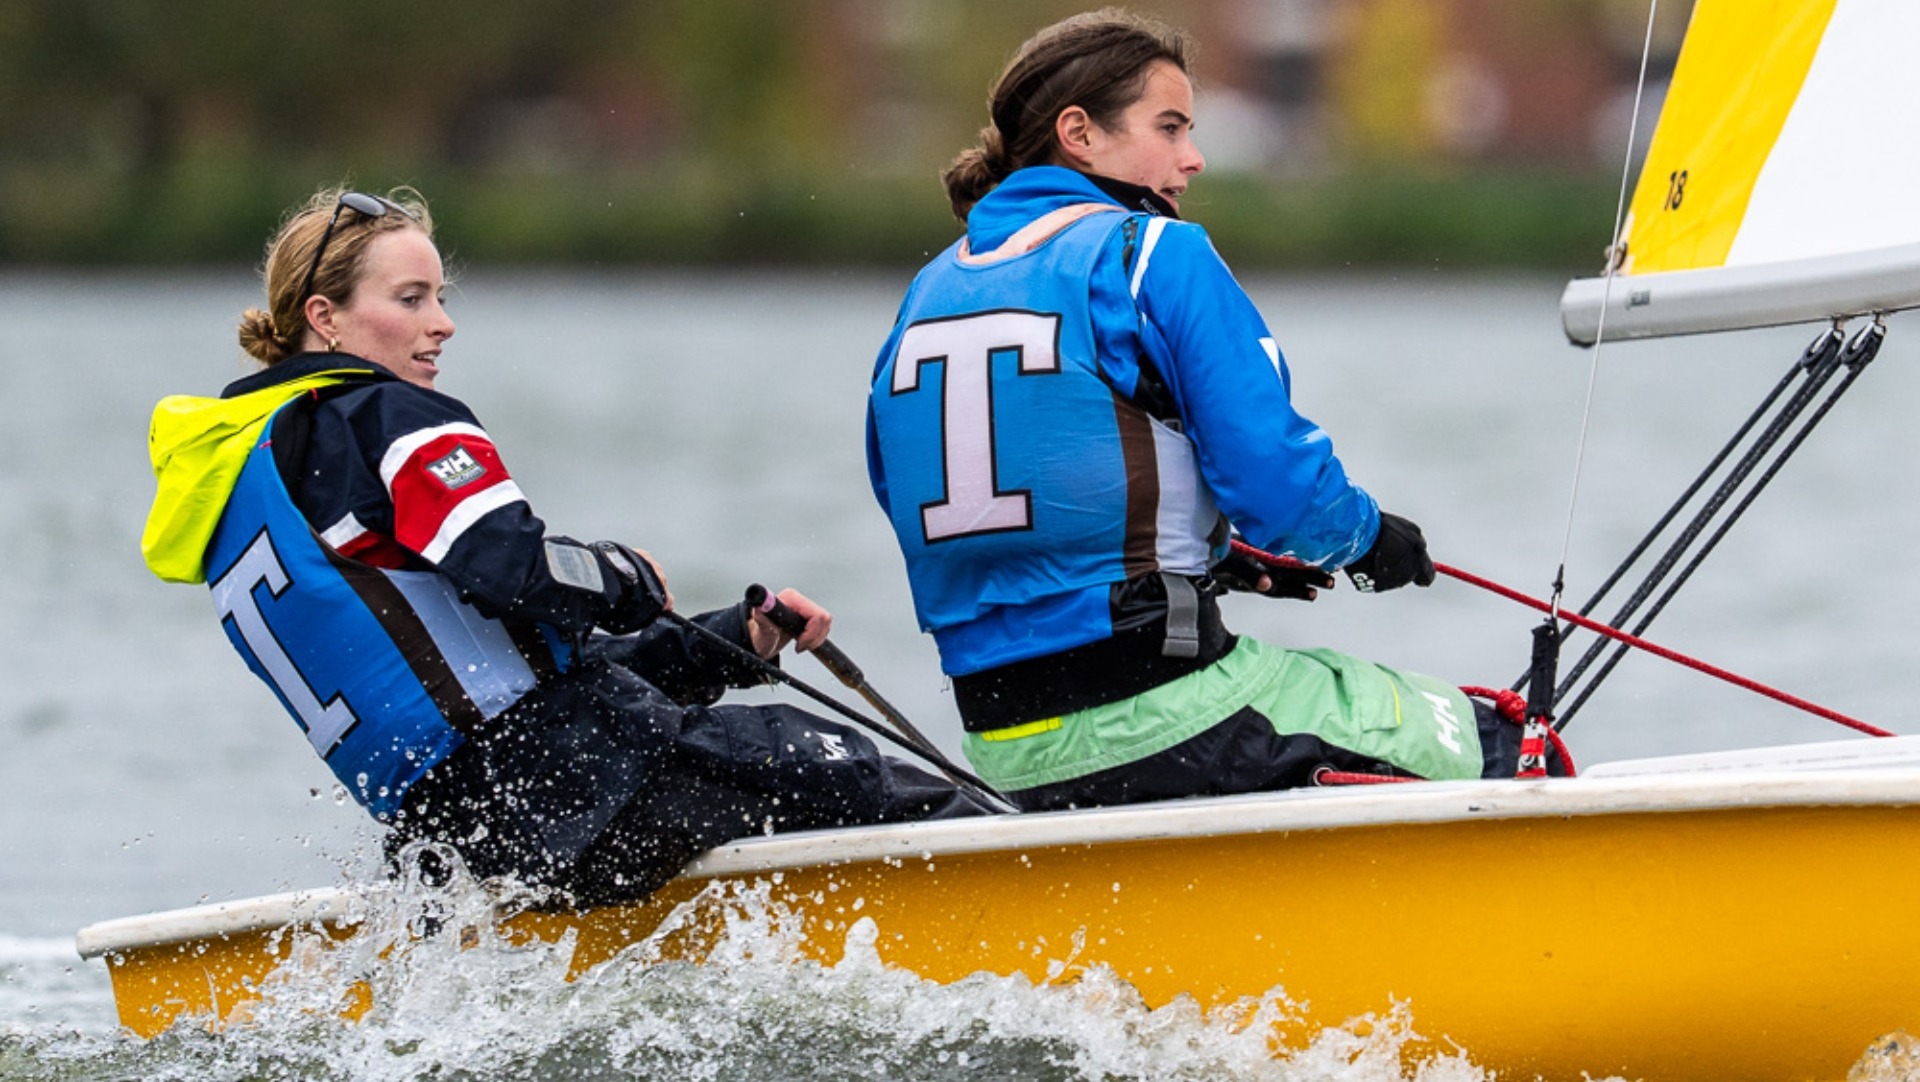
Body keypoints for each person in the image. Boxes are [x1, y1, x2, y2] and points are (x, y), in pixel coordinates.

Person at [143, 185, 983, 906]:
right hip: (579, 786)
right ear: (323, 318)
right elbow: (519, 572)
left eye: (441, 296)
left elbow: (499, 677)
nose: (442, 325)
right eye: (411, 300)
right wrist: (619, 573)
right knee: (838, 764)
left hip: (454, 843)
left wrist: (735, 639)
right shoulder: (383, 414)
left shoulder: (243, 491)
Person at [866, 9, 1543, 812]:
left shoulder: (929, 291)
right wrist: (1366, 541)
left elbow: (940, 497)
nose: (1194, 158)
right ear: (1079, 132)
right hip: (1164, 713)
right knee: (1510, 748)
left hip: (1003, 742)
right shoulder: (1154, 253)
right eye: (1171, 127)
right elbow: (1280, 489)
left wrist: (1214, 557)